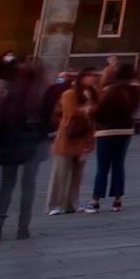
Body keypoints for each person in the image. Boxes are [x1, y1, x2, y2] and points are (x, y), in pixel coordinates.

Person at [0, 63, 45, 240]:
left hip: (11, 146)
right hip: (32, 147)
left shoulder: (12, 95)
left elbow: (1, 123)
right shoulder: (38, 96)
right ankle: (23, 227)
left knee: (6, 186)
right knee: (28, 187)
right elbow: (46, 121)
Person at [87, 61, 140, 212]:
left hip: (106, 131)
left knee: (102, 166)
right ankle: (117, 200)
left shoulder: (110, 90)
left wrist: (90, 111)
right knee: (118, 164)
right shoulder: (135, 90)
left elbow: (98, 111)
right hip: (125, 131)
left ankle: (95, 200)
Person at [46, 75, 94, 216]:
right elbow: (70, 112)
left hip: (83, 135)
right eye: (91, 76)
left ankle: (71, 203)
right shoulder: (69, 93)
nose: (93, 79)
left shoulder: (91, 94)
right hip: (68, 135)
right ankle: (55, 204)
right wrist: (85, 110)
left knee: (77, 173)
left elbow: (94, 113)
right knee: (61, 172)